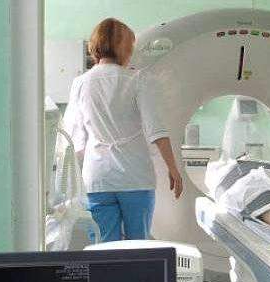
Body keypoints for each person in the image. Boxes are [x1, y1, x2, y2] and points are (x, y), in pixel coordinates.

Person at [63, 18, 183, 242]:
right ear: (124, 47)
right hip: (135, 177)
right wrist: (173, 169)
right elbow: (156, 129)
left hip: (98, 178)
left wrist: (70, 182)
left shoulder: (81, 83)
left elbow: (75, 138)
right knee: (138, 246)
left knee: (105, 248)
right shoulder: (138, 79)